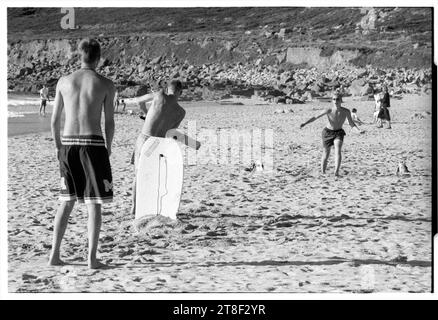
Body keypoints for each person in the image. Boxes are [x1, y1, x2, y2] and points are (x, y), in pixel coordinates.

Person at [49, 38, 115, 269]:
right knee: (94, 203)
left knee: (66, 202)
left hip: (68, 144)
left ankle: (54, 255)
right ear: (98, 58)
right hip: (93, 144)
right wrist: (108, 148)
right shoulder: (106, 84)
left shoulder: (63, 82)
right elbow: (109, 122)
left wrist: (58, 146)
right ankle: (91, 259)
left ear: (80, 55)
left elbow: (55, 120)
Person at [130, 80, 186, 216]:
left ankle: (134, 207)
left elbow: (138, 101)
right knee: (154, 176)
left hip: (145, 138)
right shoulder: (181, 112)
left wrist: (146, 114)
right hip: (158, 143)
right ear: (181, 92)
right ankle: (151, 207)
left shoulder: (159, 95)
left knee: (138, 173)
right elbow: (171, 132)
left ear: (167, 89)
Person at [300, 92, 364, 177]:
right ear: (332, 101)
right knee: (326, 153)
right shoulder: (329, 110)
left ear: (341, 100)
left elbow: (351, 124)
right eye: (334, 99)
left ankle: (336, 172)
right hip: (328, 132)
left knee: (338, 149)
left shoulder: (346, 111)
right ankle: (323, 172)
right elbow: (316, 117)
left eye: (337, 99)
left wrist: (358, 131)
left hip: (338, 132)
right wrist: (305, 123)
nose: (335, 101)